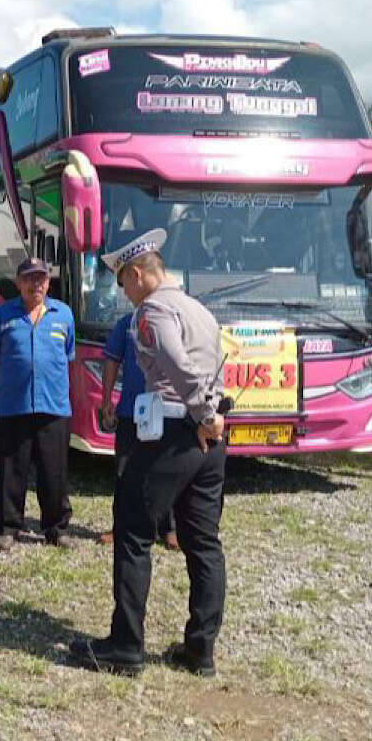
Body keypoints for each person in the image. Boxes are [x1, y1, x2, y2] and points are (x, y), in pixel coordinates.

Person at [70, 228, 227, 678]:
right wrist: (212, 416)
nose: (124, 294)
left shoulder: (153, 310)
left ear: (138, 274)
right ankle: (201, 650)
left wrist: (202, 413)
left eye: (123, 283)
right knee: (203, 542)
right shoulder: (197, 307)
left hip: (175, 430)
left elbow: (179, 366)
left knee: (134, 532)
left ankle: (125, 645)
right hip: (208, 440)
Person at [0, 257, 75, 551]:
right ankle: (8, 527)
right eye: (30, 279)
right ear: (18, 282)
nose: (36, 284)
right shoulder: (2, 315)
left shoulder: (64, 314)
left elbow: (68, 354)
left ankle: (56, 528)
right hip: (13, 405)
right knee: (11, 468)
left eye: (41, 279)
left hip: (53, 405)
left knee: (54, 470)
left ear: (48, 282)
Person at [98, 232, 177, 551]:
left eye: (125, 283)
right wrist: (106, 401)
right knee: (125, 474)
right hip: (132, 411)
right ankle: (122, 527)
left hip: (167, 410)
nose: (126, 293)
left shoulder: (173, 318)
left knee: (167, 471)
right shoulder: (126, 324)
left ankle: (168, 529)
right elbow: (111, 363)